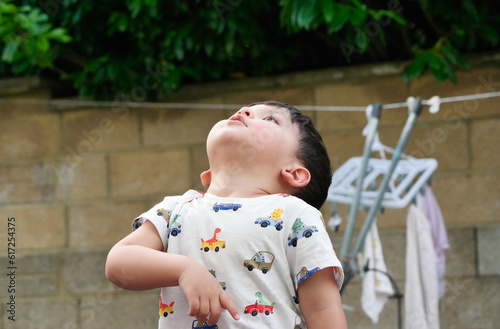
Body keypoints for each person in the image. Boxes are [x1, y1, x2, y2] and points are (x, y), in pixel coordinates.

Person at [105, 101, 347, 329]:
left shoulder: (295, 215)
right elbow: (118, 264)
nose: (244, 110)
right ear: (208, 175)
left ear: (294, 173)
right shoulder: (177, 208)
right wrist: (183, 269)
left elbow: (322, 312)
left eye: (271, 119)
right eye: (247, 109)